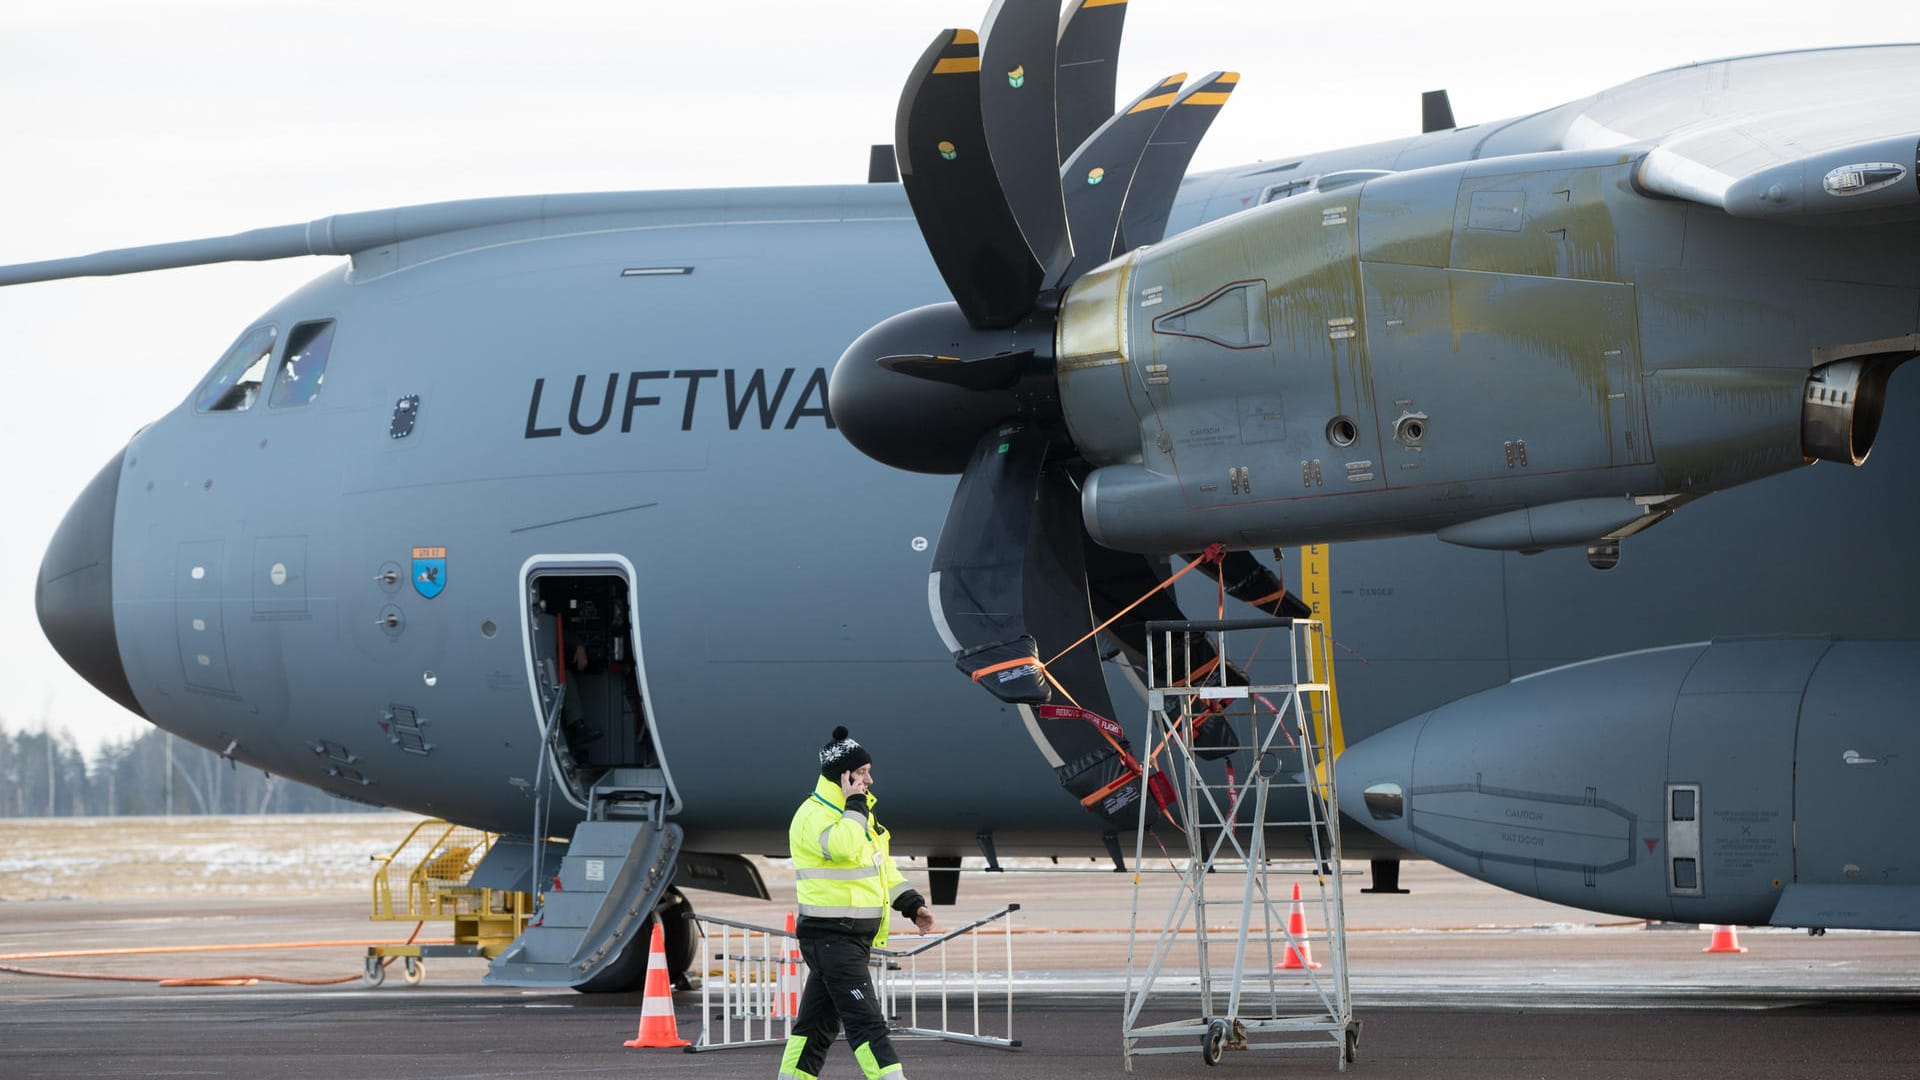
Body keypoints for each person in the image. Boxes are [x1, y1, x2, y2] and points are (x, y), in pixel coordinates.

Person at [778, 726, 934, 1080]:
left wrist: (910, 904)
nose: (870, 780)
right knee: (867, 1024)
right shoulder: (814, 815)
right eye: (862, 773)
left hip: (850, 939)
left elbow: (882, 867)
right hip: (831, 937)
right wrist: (855, 805)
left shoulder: (860, 815)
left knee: (815, 1027)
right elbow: (844, 848)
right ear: (843, 776)